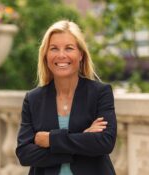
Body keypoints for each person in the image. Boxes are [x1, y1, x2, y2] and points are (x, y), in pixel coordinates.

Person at [16, 20, 117, 175]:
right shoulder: (33, 99)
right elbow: (24, 154)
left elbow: (105, 142)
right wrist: (83, 138)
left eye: (69, 48)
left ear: (81, 54)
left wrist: (51, 140)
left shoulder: (100, 92)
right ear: (45, 55)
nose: (61, 55)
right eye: (54, 48)